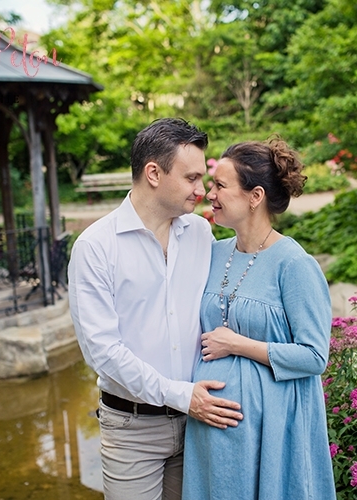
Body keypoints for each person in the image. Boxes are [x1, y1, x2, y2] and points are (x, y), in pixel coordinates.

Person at [68, 118, 243, 500]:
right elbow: (104, 353)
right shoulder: (95, 247)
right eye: (191, 178)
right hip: (132, 431)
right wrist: (182, 396)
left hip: (199, 423)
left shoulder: (199, 232)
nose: (202, 190)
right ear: (153, 173)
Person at [182, 138, 337, 500]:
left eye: (220, 185)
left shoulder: (294, 265)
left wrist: (237, 344)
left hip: (271, 437)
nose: (210, 194)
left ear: (255, 196)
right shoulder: (212, 252)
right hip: (212, 440)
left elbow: (315, 356)